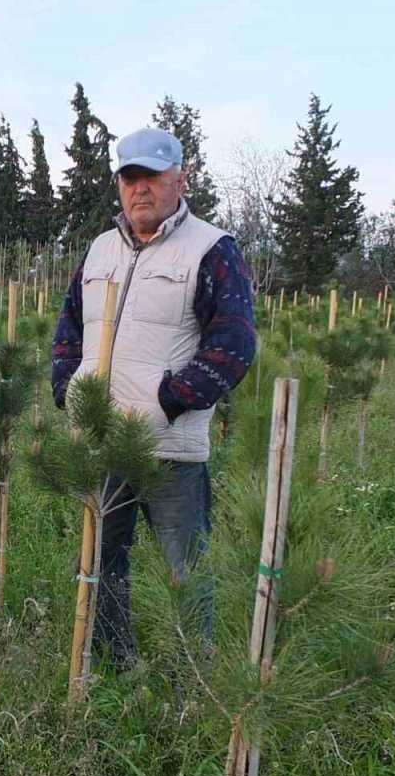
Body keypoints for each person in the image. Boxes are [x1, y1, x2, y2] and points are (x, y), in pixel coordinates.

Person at [51, 127, 255, 667]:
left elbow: (233, 343)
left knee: (183, 569)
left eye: (152, 177)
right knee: (101, 561)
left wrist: (168, 400)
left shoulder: (211, 249)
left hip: (171, 450)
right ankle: (117, 663)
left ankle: (192, 678)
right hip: (104, 441)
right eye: (130, 177)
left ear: (180, 181)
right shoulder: (100, 249)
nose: (140, 188)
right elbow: (70, 326)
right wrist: (66, 387)